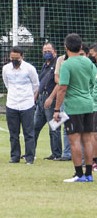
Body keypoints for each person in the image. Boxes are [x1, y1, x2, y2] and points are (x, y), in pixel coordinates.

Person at [52, 33, 96, 182]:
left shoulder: (67, 64)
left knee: (74, 140)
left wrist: (57, 110)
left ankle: (78, 174)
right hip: (89, 104)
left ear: (66, 47)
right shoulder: (89, 63)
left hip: (74, 107)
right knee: (87, 140)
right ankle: (89, 174)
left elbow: (62, 88)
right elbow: (92, 82)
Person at [2, 46, 39, 164]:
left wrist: (30, 98)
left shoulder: (29, 69)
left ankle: (29, 157)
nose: (14, 60)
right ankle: (14, 156)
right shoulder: (6, 69)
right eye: (12, 58)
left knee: (29, 133)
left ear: (22, 57)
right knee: (13, 133)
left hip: (27, 104)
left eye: (17, 58)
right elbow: (6, 84)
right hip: (12, 104)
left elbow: (35, 85)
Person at [33, 43, 62, 160]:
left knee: (54, 128)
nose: (46, 53)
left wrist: (51, 98)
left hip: (51, 99)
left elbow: (59, 83)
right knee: (34, 127)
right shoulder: (45, 65)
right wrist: (35, 97)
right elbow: (40, 83)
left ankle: (56, 154)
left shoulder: (58, 64)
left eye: (48, 50)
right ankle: (30, 152)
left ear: (54, 51)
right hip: (41, 99)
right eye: (44, 51)